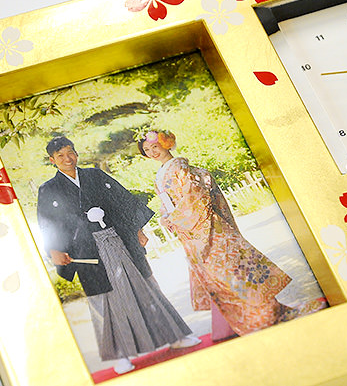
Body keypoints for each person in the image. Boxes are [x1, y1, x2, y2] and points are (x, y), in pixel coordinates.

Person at [37, 136, 200, 375]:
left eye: (70, 152)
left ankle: (175, 336)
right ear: (52, 160)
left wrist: (138, 229)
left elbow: (121, 201)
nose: (67, 158)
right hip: (85, 250)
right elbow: (47, 224)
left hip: (117, 238)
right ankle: (120, 355)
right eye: (60, 156)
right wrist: (54, 249)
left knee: (145, 287)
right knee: (103, 301)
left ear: (76, 153)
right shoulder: (48, 190)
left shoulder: (94, 175)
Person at [138, 130, 325, 337]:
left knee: (234, 271)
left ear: (165, 143)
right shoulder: (161, 174)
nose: (152, 152)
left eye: (155, 146)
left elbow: (195, 197)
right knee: (219, 278)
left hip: (207, 229)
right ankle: (248, 320)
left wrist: (174, 218)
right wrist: (165, 217)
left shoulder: (180, 167)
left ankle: (267, 315)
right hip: (190, 233)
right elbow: (167, 203)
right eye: (147, 150)